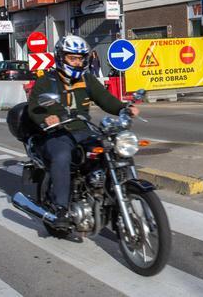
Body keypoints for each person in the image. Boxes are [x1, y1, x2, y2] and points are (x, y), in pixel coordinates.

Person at [28, 35, 139, 222]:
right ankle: (61, 208)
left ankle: (111, 193)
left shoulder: (86, 79)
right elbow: (33, 108)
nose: (77, 62)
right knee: (62, 155)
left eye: (80, 58)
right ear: (61, 58)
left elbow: (105, 98)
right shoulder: (47, 81)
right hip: (57, 133)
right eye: (73, 58)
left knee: (112, 149)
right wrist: (46, 118)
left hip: (84, 131)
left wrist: (123, 108)